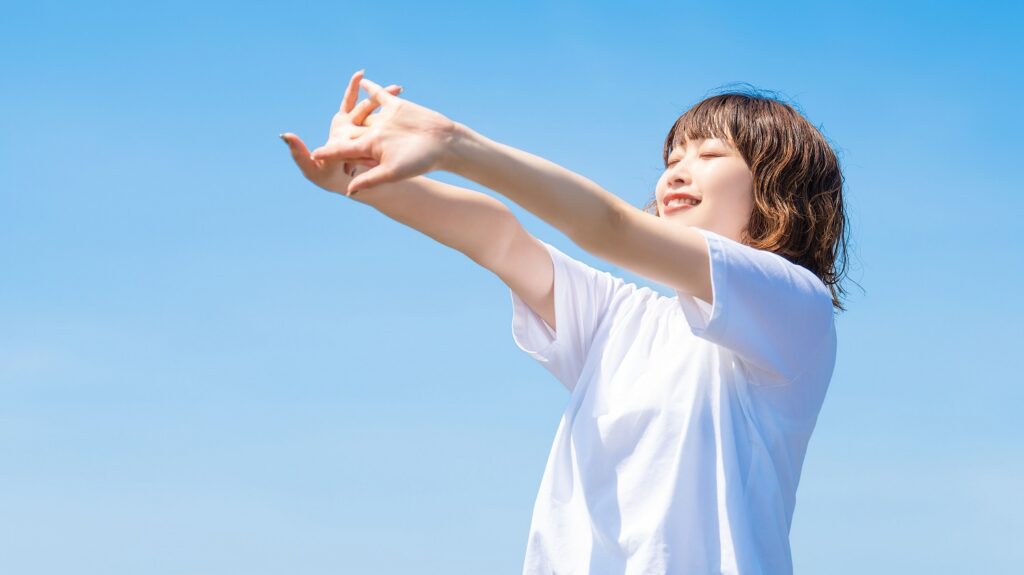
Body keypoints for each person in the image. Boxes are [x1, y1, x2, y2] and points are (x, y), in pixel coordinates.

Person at [281, 69, 850, 575]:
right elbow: (496, 237)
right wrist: (369, 180)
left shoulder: (794, 307)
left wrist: (455, 146)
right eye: (672, 158)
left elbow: (612, 229)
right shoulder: (625, 319)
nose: (677, 171)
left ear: (778, 187)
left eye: (708, 154)